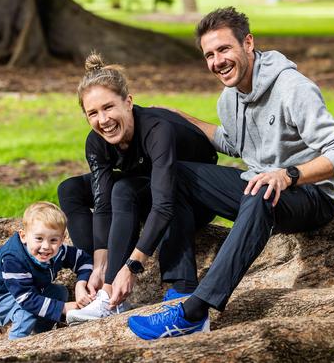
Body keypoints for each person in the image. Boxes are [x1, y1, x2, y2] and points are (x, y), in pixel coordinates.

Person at [128, 7, 334, 340]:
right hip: (261, 187)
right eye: (209, 54)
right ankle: (182, 288)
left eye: (224, 49)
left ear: (248, 43)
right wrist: (183, 117)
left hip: (311, 195)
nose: (217, 61)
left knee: (259, 189)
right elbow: (234, 143)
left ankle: (195, 313)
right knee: (174, 174)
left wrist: (288, 174)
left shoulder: (293, 87)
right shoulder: (228, 98)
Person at [57, 53, 218, 324]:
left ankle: (129, 296)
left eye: (109, 107)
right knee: (70, 188)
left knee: (125, 191)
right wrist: (100, 264)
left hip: (197, 192)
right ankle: (90, 277)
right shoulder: (97, 142)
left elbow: (164, 204)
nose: (103, 119)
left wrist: (131, 265)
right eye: (93, 113)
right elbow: (103, 203)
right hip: (147, 179)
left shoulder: (157, 129)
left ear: (128, 102)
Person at [0, 201, 93, 339]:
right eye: (39, 239)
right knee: (26, 312)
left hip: (26, 291)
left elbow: (84, 260)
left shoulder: (59, 251)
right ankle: (16, 345)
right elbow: (26, 299)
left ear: (62, 240)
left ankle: (39, 334)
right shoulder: (14, 259)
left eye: (53, 240)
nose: (46, 246)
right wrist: (63, 308)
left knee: (59, 292)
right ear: (24, 236)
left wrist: (81, 283)